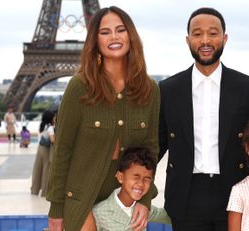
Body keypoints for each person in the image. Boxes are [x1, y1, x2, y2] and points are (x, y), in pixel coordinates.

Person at [158, 7, 249, 230]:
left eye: (213, 33)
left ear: (224, 38)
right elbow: (156, 144)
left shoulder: (247, 88)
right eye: (197, 34)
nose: (205, 40)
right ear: (187, 40)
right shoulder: (169, 89)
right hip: (185, 196)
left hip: (236, 191)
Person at [46, 6, 160, 231]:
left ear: (131, 36)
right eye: (105, 32)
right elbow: (62, 150)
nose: (114, 37)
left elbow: (151, 149)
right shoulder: (79, 87)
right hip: (82, 196)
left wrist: (145, 201)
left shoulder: (150, 90)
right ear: (95, 40)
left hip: (126, 199)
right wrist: (56, 209)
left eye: (120, 30)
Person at [93, 147, 170, 230]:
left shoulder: (146, 211)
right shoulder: (99, 212)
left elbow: (174, 218)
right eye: (136, 177)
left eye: (146, 179)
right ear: (120, 177)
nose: (141, 184)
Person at [31, 110, 55, 197]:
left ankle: (34, 190)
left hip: (39, 148)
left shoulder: (42, 126)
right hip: (46, 149)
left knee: (37, 169)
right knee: (46, 170)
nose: (55, 118)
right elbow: (52, 140)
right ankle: (45, 192)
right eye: (54, 117)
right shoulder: (51, 128)